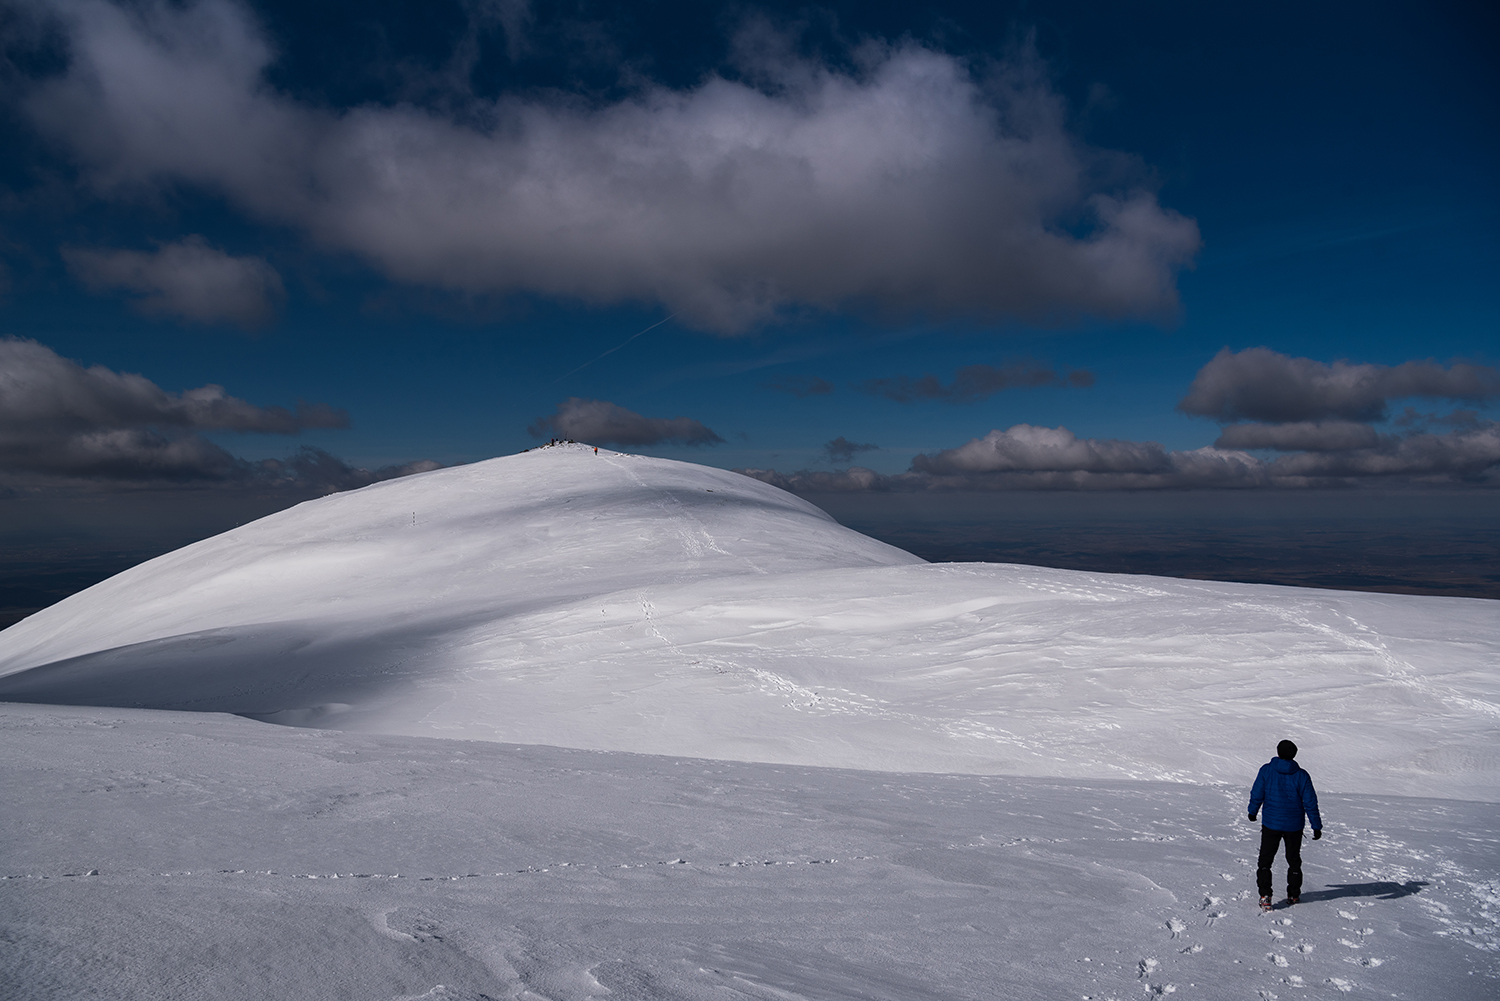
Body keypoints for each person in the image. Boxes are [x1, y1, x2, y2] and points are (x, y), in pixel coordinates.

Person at [1248, 739, 1322, 909]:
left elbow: (1257, 793)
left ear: (1278, 752)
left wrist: (1252, 812)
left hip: (1271, 824)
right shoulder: (1301, 775)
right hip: (1294, 826)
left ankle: (1265, 896)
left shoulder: (1266, 770)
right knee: (1294, 860)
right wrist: (1316, 826)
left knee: (1265, 861)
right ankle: (1294, 894)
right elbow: (1310, 802)